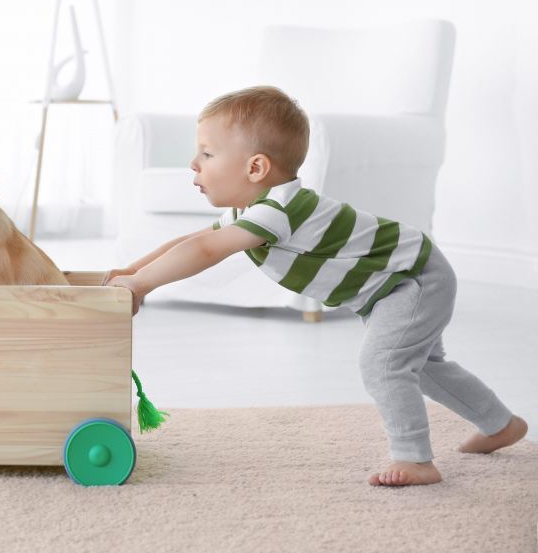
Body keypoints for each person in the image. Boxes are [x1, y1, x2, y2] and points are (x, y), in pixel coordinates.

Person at [104, 85, 528, 486]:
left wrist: (140, 285)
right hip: (398, 281)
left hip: (413, 276)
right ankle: (500, 424)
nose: (194, 164)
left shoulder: (279, 210)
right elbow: (191, 241)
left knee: (384, 364)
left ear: (256, 167)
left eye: (207, 153)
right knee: (427, 368)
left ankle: (415, 458)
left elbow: (205, 250)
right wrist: (134, 271)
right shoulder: (250, 210)